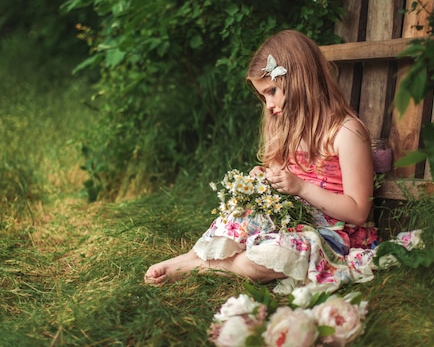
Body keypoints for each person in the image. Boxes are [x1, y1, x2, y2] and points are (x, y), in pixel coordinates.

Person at [144, 30, 379, 286]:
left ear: (299, 80)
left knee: (259, 259)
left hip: (331, 234)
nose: (268, 104)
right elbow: (281, 181)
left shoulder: (346, 132)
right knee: (240, 209)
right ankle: (191, 257)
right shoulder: (287, 129)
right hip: (290, 222)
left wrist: (300, 187)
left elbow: (358, 211)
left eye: (272, 91)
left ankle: (203, 267)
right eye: (263, 96)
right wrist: (265, 181)